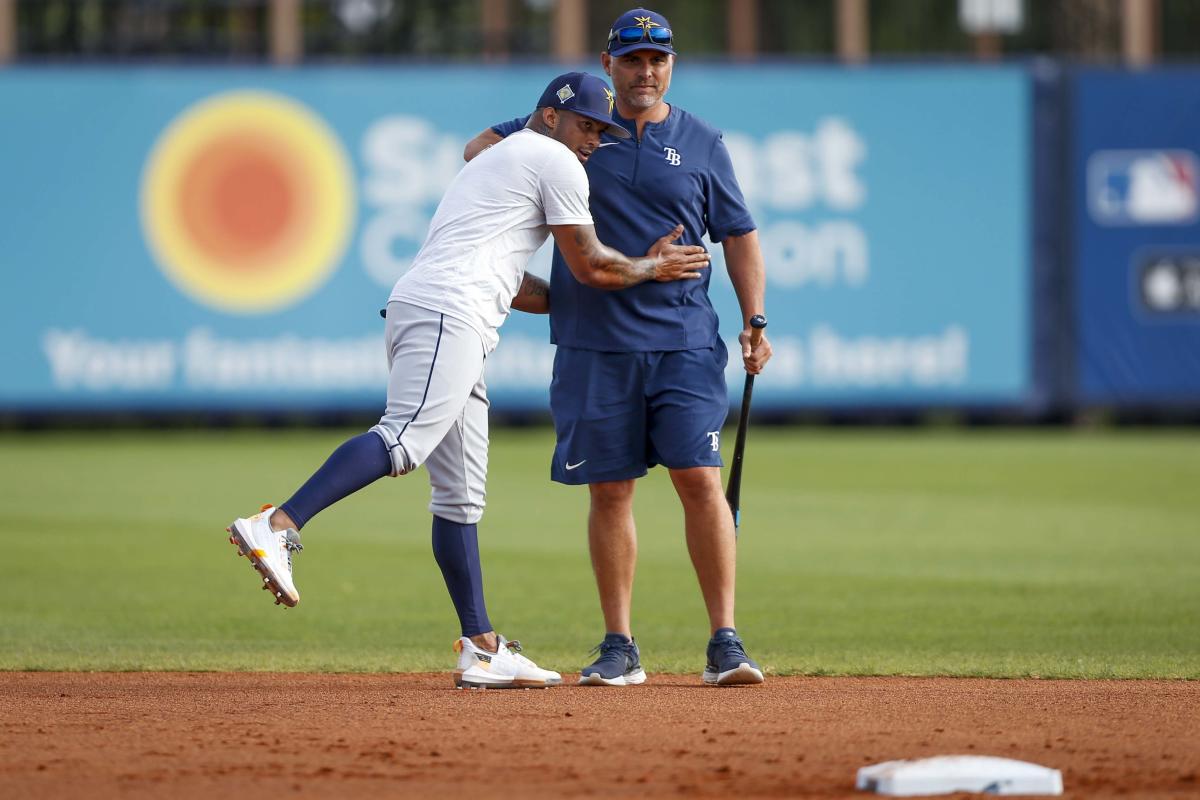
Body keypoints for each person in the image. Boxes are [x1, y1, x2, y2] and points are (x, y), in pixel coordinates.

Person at [226, 71, 710, 690]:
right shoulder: (550, 158)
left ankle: (482, 647)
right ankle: (278, 525)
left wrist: (618, 282)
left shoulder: (504, 158)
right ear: (551, 116)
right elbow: (589, 264)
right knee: (403, 439)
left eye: (601, 129)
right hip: (448, 313)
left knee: (458, 496)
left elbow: (536, 289)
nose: (594, 138)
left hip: (450, 314)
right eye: (587, 124)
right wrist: (652, 266)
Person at [464, 8, 773, 687]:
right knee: (610, 493)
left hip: (684, 339)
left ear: (671, 64)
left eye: (657, 59)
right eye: (632, 59)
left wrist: (755, 319)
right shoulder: (574, 131)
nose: (645, 71)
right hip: (593, 342)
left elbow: (739, 233)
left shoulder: (701, 140)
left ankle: (725, 641)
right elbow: (478, 150)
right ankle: (619, 646)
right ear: (608, 65)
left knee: (699, 481)